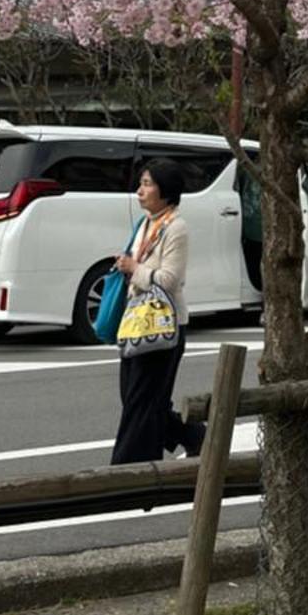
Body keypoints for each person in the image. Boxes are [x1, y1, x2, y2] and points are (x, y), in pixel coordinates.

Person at [110, 157, 205, 465]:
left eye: (147, 184)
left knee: (141, 401)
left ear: (166, 191)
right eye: (141, 183)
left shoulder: (176, 228)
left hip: (165, 326)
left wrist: (134, 267)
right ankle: (193, 436)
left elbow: (169, 280)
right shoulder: (145, 224)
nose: (140, 190)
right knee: (136, 398)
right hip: (137, 323)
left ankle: (127, 471)